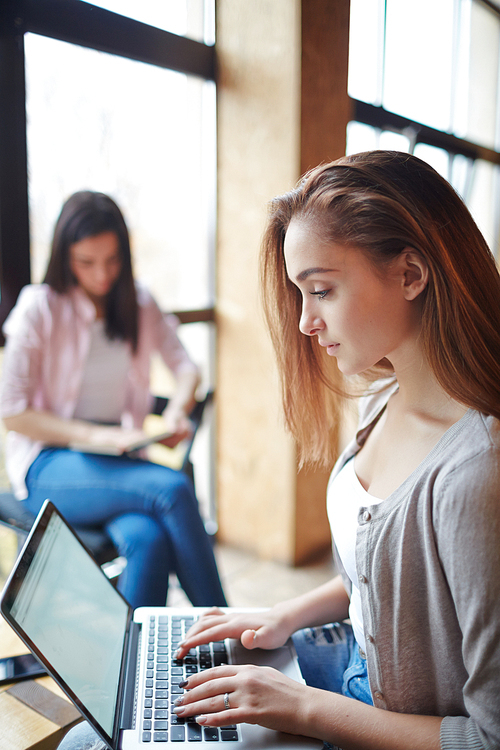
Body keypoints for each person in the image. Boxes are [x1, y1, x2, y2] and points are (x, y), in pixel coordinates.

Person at [169, 152, 500, 750]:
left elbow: (487, 736)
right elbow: (383, 579)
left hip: (378, 721)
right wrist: (288, 614)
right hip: (345, 663)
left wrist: (303, 707)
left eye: (321, 289)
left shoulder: (474, 477)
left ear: (411, 274)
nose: (304, 323)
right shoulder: (383, 399)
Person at [0, 190, 226, 610]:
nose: (102, 274)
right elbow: (13, 414)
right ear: (65, 256)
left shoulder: (138, 302)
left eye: (112, 260)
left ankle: (134, 668)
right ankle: (230, 636)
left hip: (116, 463)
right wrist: (94, 435)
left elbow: (186, 367)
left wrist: (176, 411)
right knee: (173, 488)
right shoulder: (39, 308)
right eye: (87, 262)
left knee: (148, 538)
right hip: (48, 463)